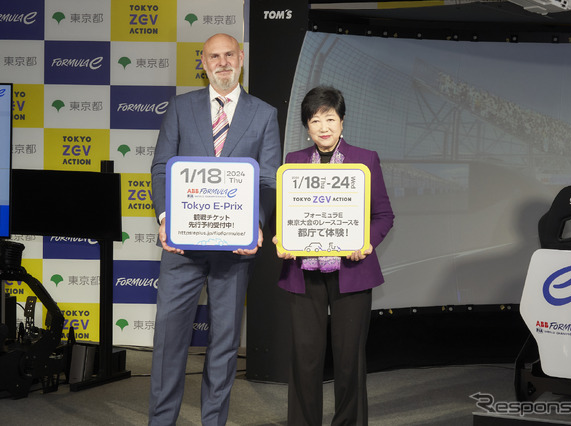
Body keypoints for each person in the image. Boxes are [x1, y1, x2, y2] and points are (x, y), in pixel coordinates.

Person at [149, 33, 281, 425]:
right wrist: (164, 217)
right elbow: (161, 167)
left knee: (223, 348)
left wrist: (256, 223)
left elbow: (269, 179)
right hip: (181, 248)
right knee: (168, 344)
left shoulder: (264, 113)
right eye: (213, 56)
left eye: (229, 55)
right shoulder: (179, 107)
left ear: (241, 58)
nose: (222, 62)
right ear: (203, 63)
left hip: (234, 252)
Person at [273, 86, 394, 425]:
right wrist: (280, 237)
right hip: (303, 273)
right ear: (306, 126)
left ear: (342, 122)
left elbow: (384, 215)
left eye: (330, 118)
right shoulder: (293, 162)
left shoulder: (365, 159)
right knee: (305, 361)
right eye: (315, 120)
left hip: (351, 272)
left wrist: (367, 242)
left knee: (348, 362)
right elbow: (283, 217)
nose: (323, 127)